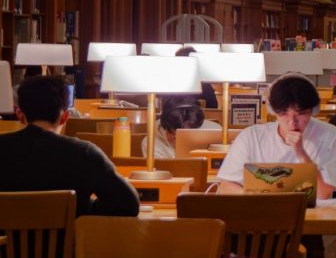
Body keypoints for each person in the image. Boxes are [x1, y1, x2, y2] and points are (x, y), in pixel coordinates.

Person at [0, 75, 139, 216]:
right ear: (65, 117)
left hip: (6, 237)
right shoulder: (84, 153)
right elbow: (128, 204)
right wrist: (83, 208)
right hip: (69, 238)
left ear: (20, 114)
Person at [215, 74, 336, 200]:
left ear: (314, 110)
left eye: (301, 113)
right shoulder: (251, 136)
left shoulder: (328, 134)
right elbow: (225, 187)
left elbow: (323, 194)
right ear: (273, 111)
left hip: (311, 216)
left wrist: (301, 153)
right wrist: (257, 198)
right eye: (283, 114)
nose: (292, 121)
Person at [142, 97, 220, 160]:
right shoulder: (151, 143)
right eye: (172, 133)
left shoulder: (217, 133)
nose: (177, 138)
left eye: (184, 134)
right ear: (165, 126)